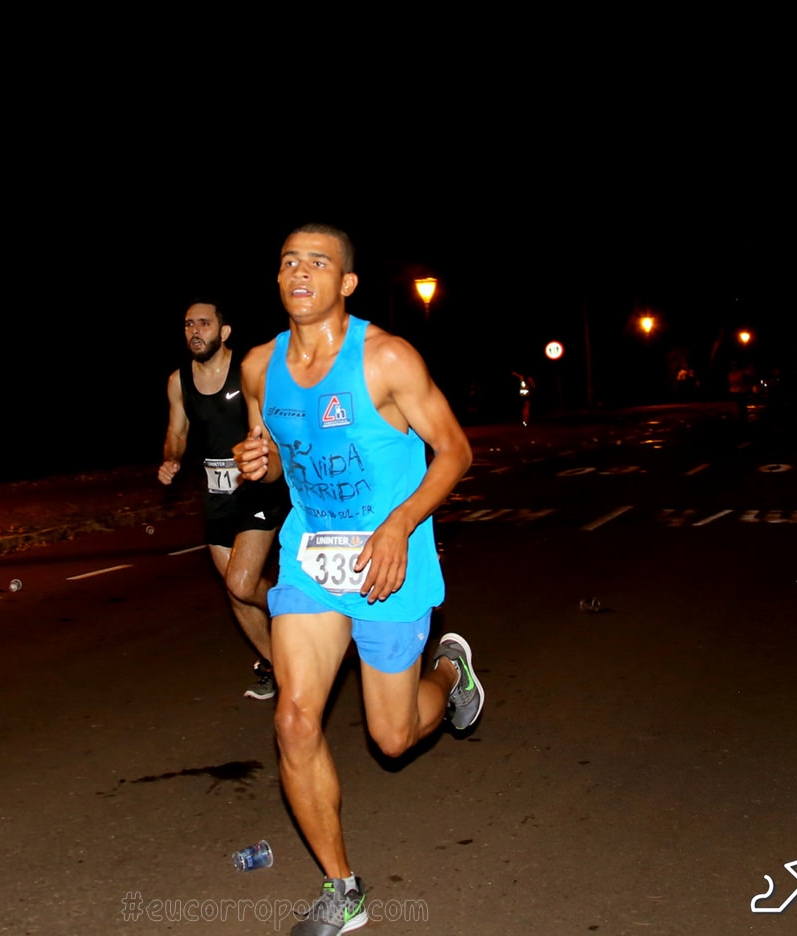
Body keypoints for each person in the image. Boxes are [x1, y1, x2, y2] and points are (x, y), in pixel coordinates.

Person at [234, 224, 482, 935]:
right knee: (293, 719)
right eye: (289, 261)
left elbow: (455, 451)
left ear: (346, 283)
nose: (300, 272)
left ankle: (450, 676)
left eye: (318, 262)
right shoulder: (259, 367)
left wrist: (400, 524)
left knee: (392, 737)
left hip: (388, 561)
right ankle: (343, 891)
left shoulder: (387, 359)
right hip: (311, 557)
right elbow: (274, 459)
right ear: (277, 278)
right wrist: (260, 465)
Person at [160, 301, 288, 701]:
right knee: (236, 593)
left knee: (241, 582)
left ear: (224, 331)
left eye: (204, 323)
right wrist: (172, 459)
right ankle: (282, 669)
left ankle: (304, 610)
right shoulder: (178, 382)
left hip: (257, 489)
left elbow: (272, 423)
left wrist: (262, 455)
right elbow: (177, 433)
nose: (195, 330)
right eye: (188, 324)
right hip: (216, 496)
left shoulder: (247, 370)